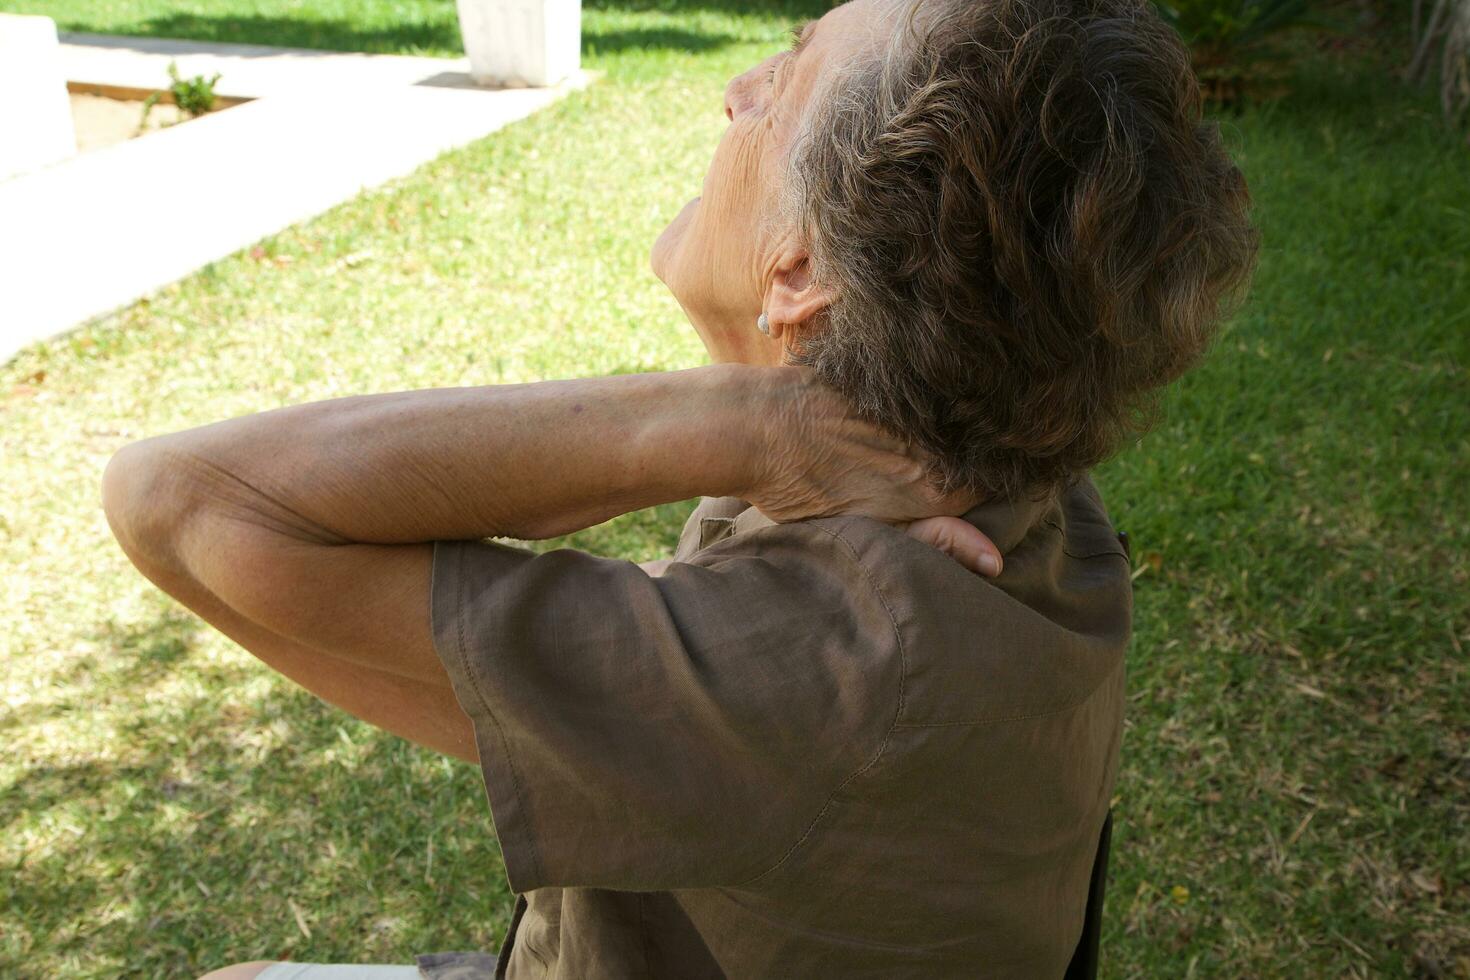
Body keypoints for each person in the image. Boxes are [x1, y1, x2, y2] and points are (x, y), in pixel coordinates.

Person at [103, 0, 1257, 976]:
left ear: (799, 273)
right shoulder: (1019, 477)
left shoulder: (823, 662)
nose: (738, 91)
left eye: (790, 73)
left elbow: (182, 500)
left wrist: (747, 418)